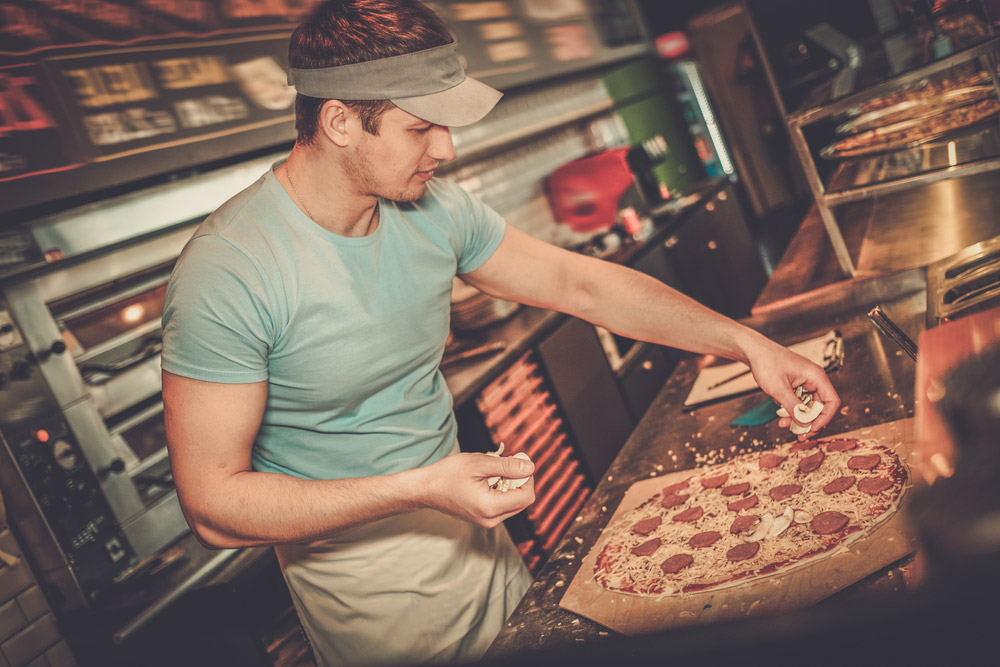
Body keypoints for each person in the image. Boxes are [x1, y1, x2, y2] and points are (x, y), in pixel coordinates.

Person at [160, 1, 840, 665]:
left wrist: (749, 343)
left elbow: (585, 284)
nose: (447, 149)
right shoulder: (231, 270)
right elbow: (214, 504)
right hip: (381, 620)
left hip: (496, 564)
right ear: (339, 120)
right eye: (422, 127)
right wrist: (420, 486)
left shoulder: (432, 209)